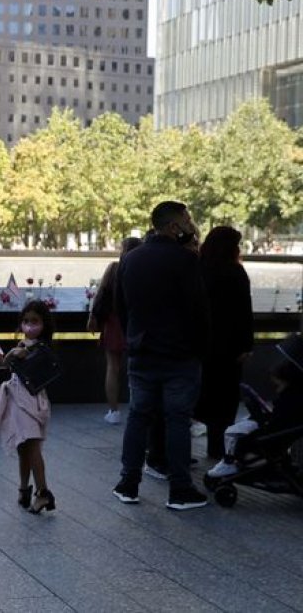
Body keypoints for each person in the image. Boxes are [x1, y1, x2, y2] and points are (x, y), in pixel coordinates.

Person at [112, 201, 210, 511]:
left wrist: (134, 338)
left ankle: (128, 483)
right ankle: (180, 489)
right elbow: (199, 311)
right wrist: (199, 348)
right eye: (187, 220)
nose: (191, 225)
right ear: (173, 226)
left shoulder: (131, 259)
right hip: (179, 356)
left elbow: (121, 307)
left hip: (141, 353)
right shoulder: (187, 261)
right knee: (177, 420)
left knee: (138, 416)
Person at [0, 300, 56, 514]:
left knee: (33, 446)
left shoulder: (43, 349)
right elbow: (3, 363)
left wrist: (21, 355)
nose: (29, 325)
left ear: (44, 323)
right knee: (23, 448)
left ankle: (43, 492)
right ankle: (24, 489)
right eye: (26, 321)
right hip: (18, 403)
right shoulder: (21, 346)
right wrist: (12, 354)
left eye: (35, 321)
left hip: (32, 404)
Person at [196, 226, 253, 460]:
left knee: (201, 393)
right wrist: (246, 345)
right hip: (229, 347)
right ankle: (216, 447)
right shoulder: (236, 273)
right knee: (224, 397)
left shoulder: (198, 270)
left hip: (200, 344)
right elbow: (244, 312)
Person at [206, 355, 303, 478]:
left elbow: (278, 422)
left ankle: (230, 463)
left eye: (278, 384)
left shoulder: (289, 398)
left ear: (287, 380)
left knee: (239, 435)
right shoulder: (293, 396)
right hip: (278, 434)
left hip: (273, 438)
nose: (276, 388)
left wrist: (262, 419)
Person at [87, 236, 142, 424]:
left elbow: (101, 294)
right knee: (137, 369)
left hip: (113, 323)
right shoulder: (140, 270)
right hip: (136, 323)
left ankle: (114, 411)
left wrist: (93, 318)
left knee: (112, 367)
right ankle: (138, 405)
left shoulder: (113, 268)